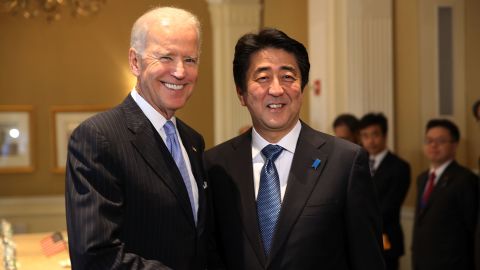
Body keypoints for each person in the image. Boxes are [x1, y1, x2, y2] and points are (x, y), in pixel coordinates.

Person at [205, 28, 384, 270]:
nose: (277, 89)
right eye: (263, 77)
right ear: (241, 93)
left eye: (288, 77)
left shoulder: (345, 162)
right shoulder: (215, 165)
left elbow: (367, 260)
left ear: (302, 87)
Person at [65, 7, 208, 270]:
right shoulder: (98, 138)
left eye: (190, 60)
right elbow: (95, 258)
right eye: (166, 57)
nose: (180, 72)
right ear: (135, 62)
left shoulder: (193, 141)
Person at [412, 119, 478, 270]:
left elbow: (471, 228)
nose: (433, 145)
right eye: (428, 141)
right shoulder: (422, 178)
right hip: (423, 261)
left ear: (454, 145)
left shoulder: (466, 179)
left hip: (452, 263)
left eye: (440, 141)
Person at [358, 113, 411, 270]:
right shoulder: (357, 163)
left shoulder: (400, 167)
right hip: (359, 239)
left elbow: (390, 206)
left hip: (386, 236)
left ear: (385, 135)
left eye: (375, 135)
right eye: (365, 136)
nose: (370, 141)